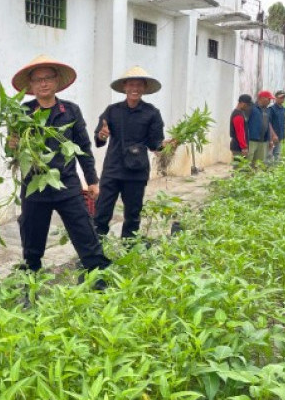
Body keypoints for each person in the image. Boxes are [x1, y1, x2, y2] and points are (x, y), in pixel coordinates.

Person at [10, 55, 111, 287]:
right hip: (35, 187)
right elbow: (14, 155)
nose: (43, 83)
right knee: (32, 243)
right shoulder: (22, 113)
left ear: (56, 82)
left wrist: (92, 181)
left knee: (86, 235)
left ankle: (100, 283)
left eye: (48, 78)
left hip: (67, 185)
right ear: (31, 85)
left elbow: (83, 148)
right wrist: (12, 146)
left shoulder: (71, 111)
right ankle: (31, 288)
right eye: (37, 80)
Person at [93, 66, 167, 239]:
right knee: (101, 213)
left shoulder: (152, 113)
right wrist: (102, 135)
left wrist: (165, 146)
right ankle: (95, 250)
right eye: (131, 85)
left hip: (136, 171)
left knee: (133, 215)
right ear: (125, 87)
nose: (135, 89)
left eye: (139, 85)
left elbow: (154, 144)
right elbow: (99, 139)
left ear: (145, 88)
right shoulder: (112, 111)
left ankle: (129, 251)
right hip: (112, 169)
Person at [247, 90, 274, 166]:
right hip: (251, 140)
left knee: (259, 163)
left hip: (263, 140)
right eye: (268, 99)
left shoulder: (267, 110)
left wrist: (270, 139)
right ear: (262, 98)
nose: (269, 101)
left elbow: (268, 124)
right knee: (248, 162)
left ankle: (255, 176)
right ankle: (245, 177)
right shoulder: (251, 108)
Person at [230, 94, 252, 163]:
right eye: (247, 105)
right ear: (242, 103)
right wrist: (244, 147)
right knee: (239, 169)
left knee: (241, 168)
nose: (248, 107)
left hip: (239, 146)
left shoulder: (240, 113)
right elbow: (240, 132)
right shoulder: (238, 115)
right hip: (238, 147)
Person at [267, 90, 285, 164]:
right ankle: (267, 171)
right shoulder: (271, 109)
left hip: (280, 136)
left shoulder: (284, 110)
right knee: (269, 155)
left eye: (283, 97)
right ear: (276, 98)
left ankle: (275, 172)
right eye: (280, 97)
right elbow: (268, 123)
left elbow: (281, 122)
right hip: (272, 137)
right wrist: (273, 135)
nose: (282, 99)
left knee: (277, 154)